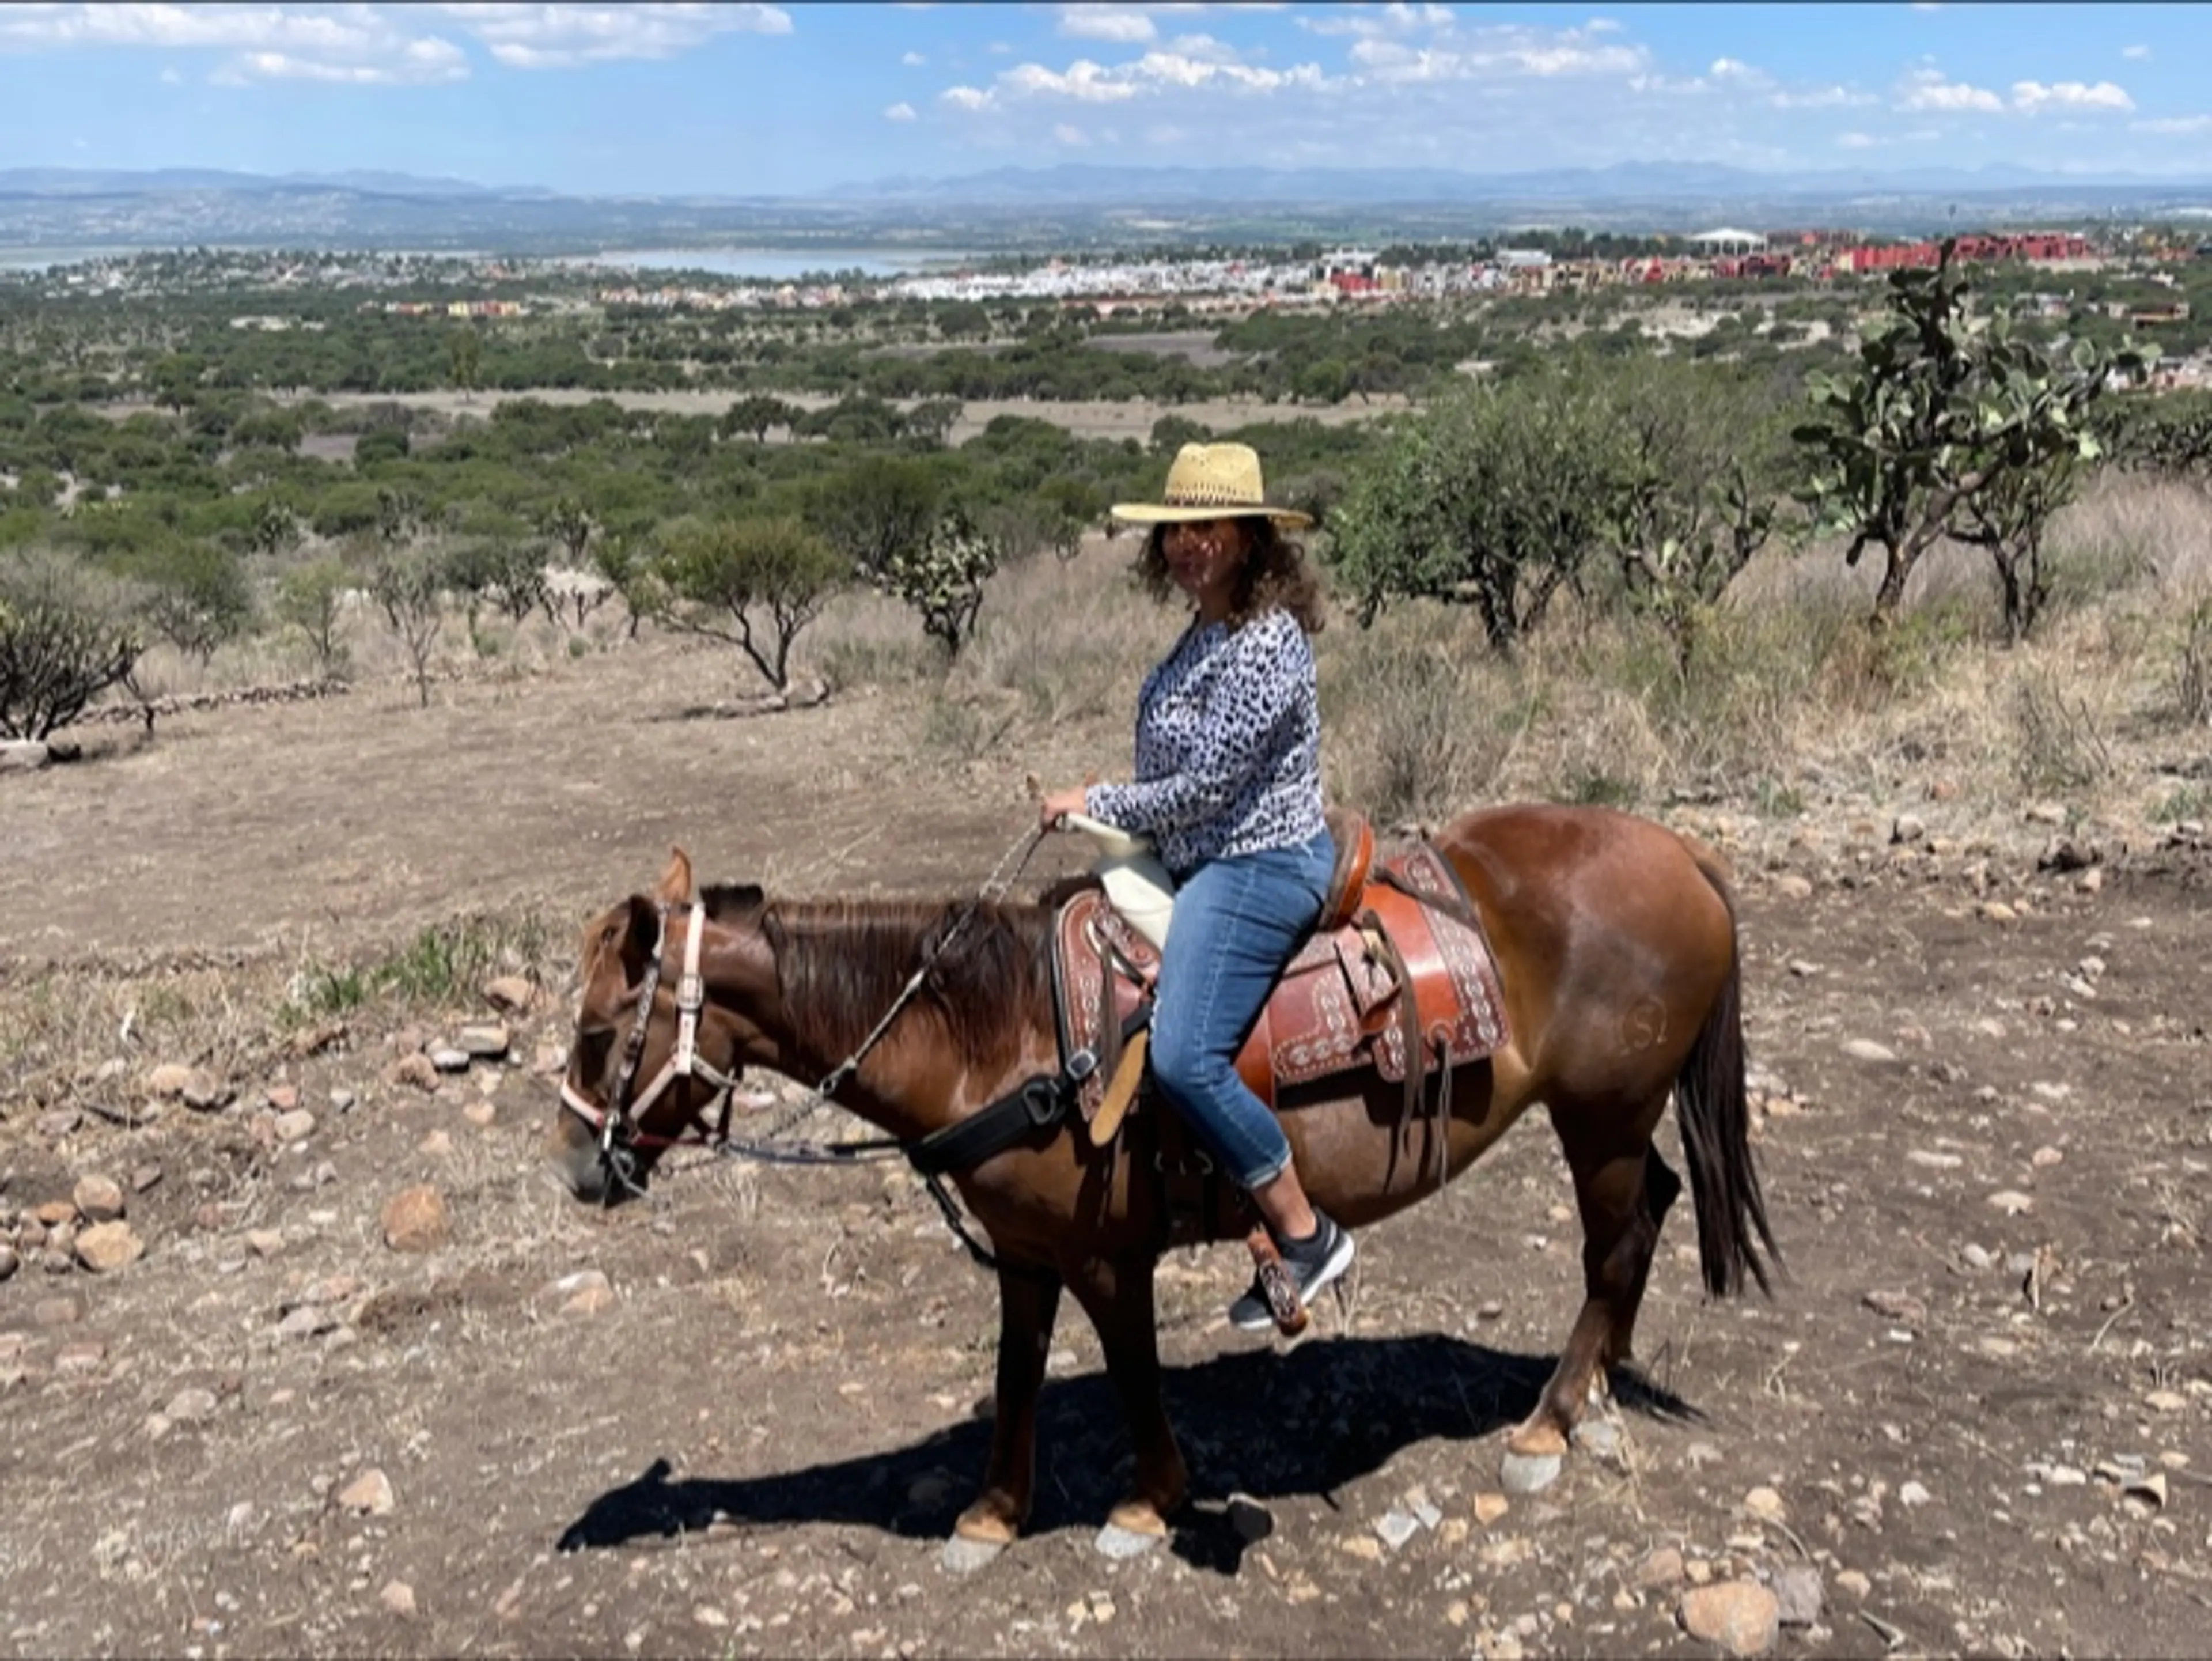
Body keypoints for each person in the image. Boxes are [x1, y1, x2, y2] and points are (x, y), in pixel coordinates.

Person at [1040, 441, 1353, 1330]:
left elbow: (1207, 787)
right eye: (1178, 529)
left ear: (1250, 538)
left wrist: (1091, 799)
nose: (1189, 545)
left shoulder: (1268, 642)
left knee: (1181, 1053)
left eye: (1207, 528)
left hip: (1257, 861)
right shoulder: (1204, 628)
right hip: (1197, 852)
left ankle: (1304, 1231)